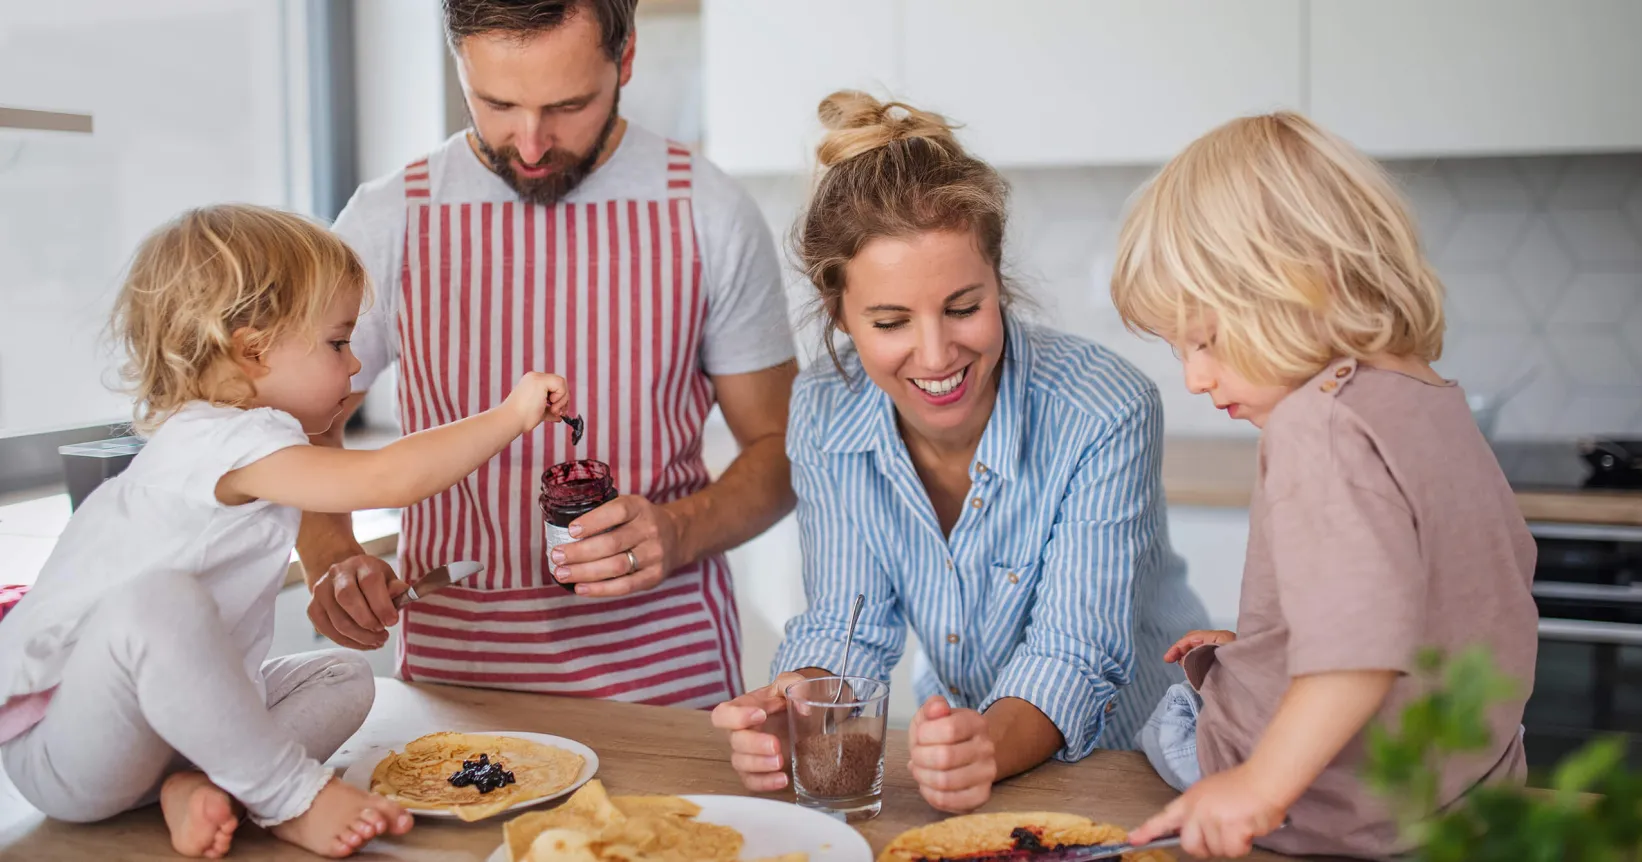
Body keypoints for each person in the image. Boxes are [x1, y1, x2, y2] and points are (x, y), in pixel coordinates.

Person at [0, 204, 572, 857]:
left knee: (344, 677)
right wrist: (511, 414)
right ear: (253, 350)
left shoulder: (248, 442)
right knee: (158, 603)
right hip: (70, 754)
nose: (355, 365)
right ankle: (286, 795)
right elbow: (386, 478)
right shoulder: (215, 438)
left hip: (160, 739)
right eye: (337, 343)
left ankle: (201, 785)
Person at [711, 92, 1209, 813]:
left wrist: (986, 748)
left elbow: (1075, 654)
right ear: (838, 312)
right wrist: (795, 711)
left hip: (1138, 764)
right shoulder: (824, 406)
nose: (937, 354)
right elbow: (846, 626)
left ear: (996, 279)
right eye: (889, 321)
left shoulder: (1105, 409)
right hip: (966, 765)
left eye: (964, 307)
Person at [300, 0, 799, 705]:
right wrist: (332, 558)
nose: (531, 144)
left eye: (568, 105)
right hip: (456, 684)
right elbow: (304, 424)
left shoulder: (708, 211)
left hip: (670, 683)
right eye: (497, 103)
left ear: (624, 61)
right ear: (460, 62)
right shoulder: (391, 218)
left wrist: (677, 531)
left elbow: (781, 449)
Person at [1111, 112, 1539, 859]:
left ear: (1306, 281)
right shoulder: (1437, 404)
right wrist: (1268, 647)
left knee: (1162, 716)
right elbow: (1432, 606)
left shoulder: (1318, 423)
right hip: (1461, 798)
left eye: (1206, 339)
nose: (1195, 378)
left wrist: (1258, 789)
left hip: (1333, 815)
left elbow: (1358, 650)